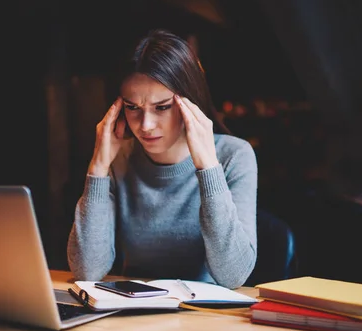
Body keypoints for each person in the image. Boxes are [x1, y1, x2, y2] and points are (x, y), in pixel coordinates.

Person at [67, 29, 258, 289]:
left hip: (207, 317)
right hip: (134, 310)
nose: (145, 125)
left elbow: (234, 275)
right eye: (132, 107)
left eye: (162, 107)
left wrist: (208, 168)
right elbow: (86, 270)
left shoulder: (234, 156)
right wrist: (98, 169)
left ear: (190, 103)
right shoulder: (118, 158)